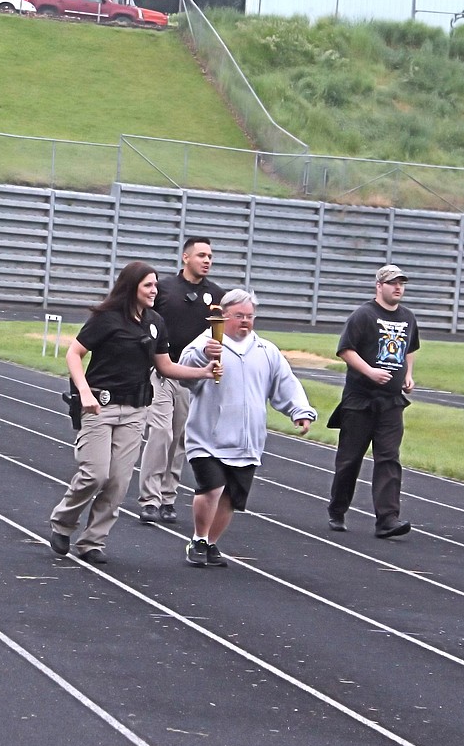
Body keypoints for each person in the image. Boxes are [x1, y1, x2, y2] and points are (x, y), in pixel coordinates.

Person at [47, 261, 221, 565]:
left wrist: (202, 372)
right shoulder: (107, 318)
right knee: (95, 474)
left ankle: (92, 541)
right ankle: (63, 522)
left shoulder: (155, 322)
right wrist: (84, 392)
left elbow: (165, 366)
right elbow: (74, 353)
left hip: (136, 409)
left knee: (117, 481)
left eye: (155, 285)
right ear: (132, 288)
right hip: (100, 405)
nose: (155, 290)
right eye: (148, 286)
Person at [178, 289, 316, 567]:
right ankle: (198, 538)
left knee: (231, 497)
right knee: (212, 487)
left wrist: (300, 411)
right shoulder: (207, 343)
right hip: (207, 436)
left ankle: (211, 543)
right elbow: (184, 373)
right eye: (239, 316)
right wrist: (204, 355)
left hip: (247, 440)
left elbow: (285, 383)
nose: (245, 321)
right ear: (224, 316)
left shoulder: (266, 351)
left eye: (249, 316)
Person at [326, 265, 420, 539]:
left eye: (401, 283)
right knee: (350, 460)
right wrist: (369, 372)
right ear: (379, 286)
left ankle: (387, 518)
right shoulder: (363, 315)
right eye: (392, 283)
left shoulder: (408, 317)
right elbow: (345, 350)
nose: (398, 288)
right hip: (360, 400)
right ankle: (338, 508)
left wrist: (409, 376)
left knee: (389, 458)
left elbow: (409, 348)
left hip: (391, 402)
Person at [136, 236, 225, 525]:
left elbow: (221, 335)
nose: (207, 260)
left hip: (191, 376)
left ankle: (168, 496)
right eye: (201, 255)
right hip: (160, 370)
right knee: (160, 433)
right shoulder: (164, 290)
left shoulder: (217, 296)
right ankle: (149, 499)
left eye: (210, 256)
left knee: (180, 438)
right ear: (186, 258)